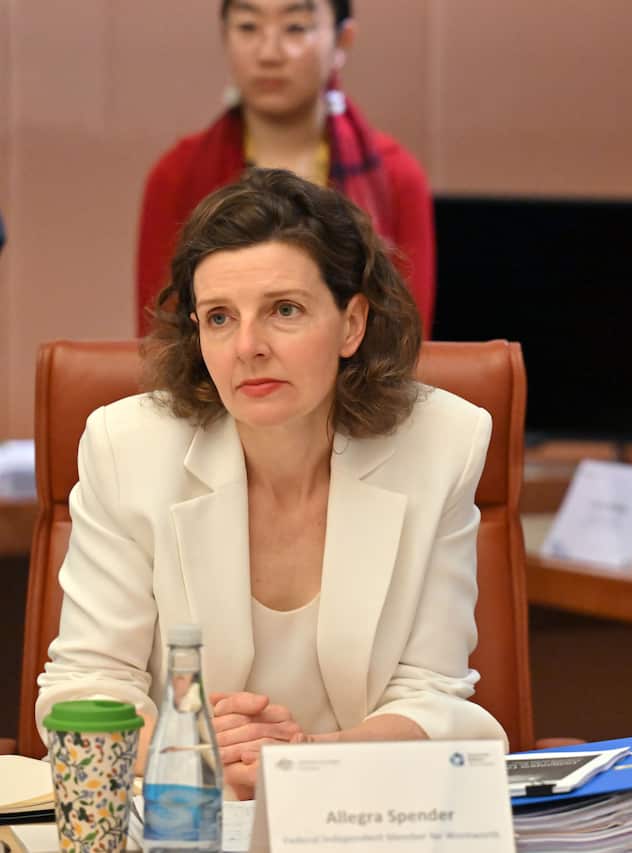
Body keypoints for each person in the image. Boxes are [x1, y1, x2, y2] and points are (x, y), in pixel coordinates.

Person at [38, 168, 502, 799]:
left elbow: (432, 695)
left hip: (361, 808)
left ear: (352, 324)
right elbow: (86, 691)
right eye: (219, 317)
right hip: (189, 812)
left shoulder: (441, 443)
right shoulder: (128, 448)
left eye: (285, 310)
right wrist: (189, 749)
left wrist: (301, 762)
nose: (248, 346)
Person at [135, 0, 435, 337]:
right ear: (225, 36)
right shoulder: (178, 175)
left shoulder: (395, 176)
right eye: (248, 27)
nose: (269, 53)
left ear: (342, 40)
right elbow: (159, 336)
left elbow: (407, 337)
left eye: (295, 27)